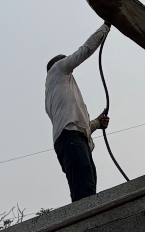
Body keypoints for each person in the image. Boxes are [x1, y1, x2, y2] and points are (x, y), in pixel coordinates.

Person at [46, 22, 113, 202]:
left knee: (87, 184)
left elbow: (76, 123)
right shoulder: (57, 70)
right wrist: (105, 27)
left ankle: (88, 215)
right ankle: (87, 218)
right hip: (70, 139)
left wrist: (97, 123)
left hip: (74, 139)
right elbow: (84, 50)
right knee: (84, 187)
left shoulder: (61, 90)